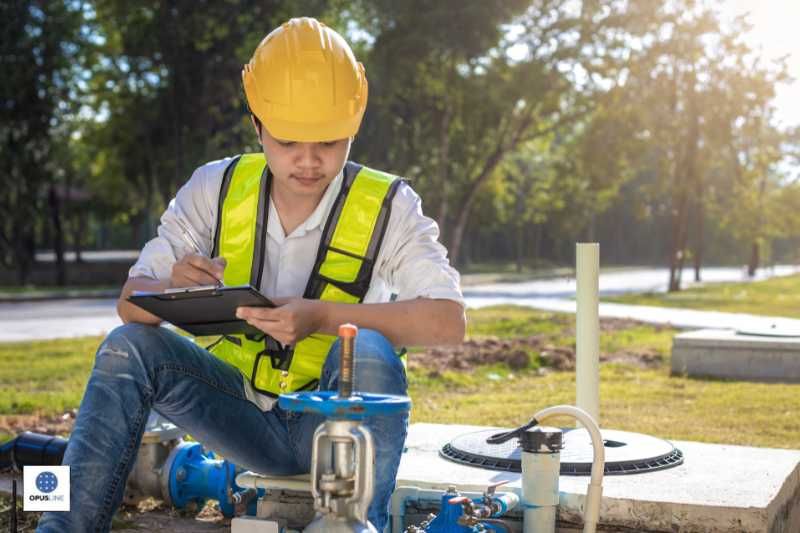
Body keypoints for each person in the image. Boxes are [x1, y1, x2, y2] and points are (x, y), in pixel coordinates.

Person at [37, 16, 464, 533]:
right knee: (127, 345)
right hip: (236, 413)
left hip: (333, 428)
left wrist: (324, 318)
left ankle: (354, 527)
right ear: (257, 123)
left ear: (353, 127)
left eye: (328, 143)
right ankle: (61, 528)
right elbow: (131, 303)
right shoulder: (212, 188)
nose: (308, 161)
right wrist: (170, 283)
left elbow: (447, 322)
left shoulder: (390, 204)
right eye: (288, 142)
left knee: (369, 348)